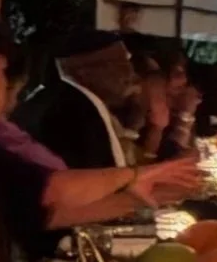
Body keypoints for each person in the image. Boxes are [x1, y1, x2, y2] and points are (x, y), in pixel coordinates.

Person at [0, 12, 200, 227]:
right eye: (1, 71)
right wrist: (135, 177)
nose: (130, 74)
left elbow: (43, 213)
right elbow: (50, 192)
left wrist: (139, 197)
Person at [13, 28, 140, 170]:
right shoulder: (71, 113)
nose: (130, 73)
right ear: (84, 72)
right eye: (120, 65)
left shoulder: (64, 101)